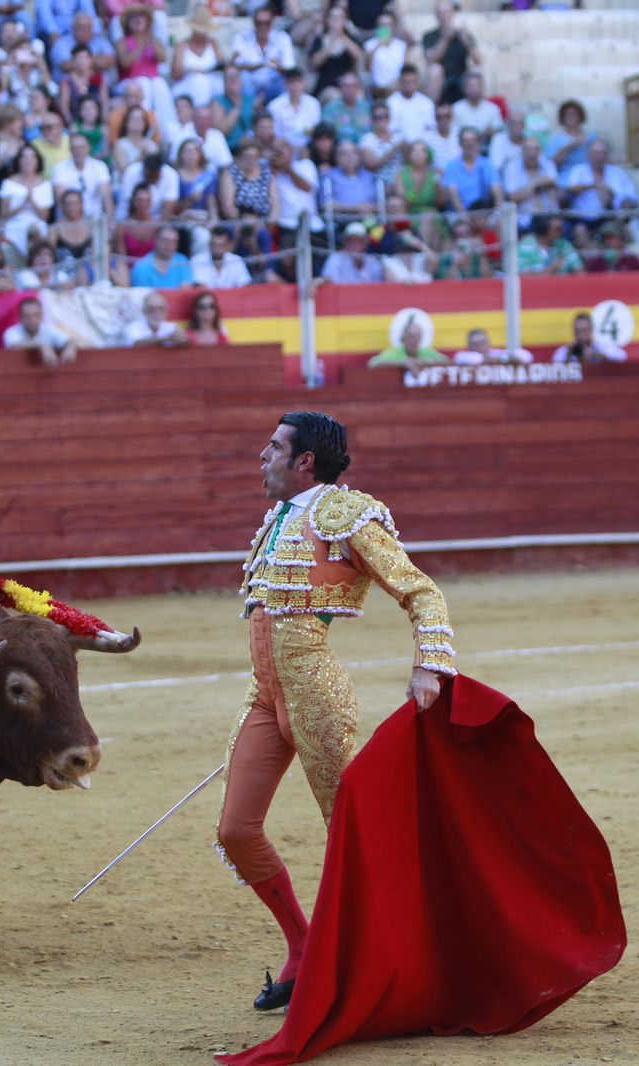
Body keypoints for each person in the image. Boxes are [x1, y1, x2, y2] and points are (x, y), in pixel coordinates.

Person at [217, 411, 455, 1009]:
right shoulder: (278, 518)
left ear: (304, 462)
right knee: (236, 831)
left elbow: (420, 589)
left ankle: (400, 958)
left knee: (352, 836)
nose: (261, 456)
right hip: (267, 697)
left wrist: (432, 661)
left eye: (274, 448)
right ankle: (305, 949)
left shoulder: (346, 515)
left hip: (317, 694)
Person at [562, 140, 638, 233]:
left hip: (611, 218)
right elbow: (570, 189)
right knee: (580, 231)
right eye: (596, 153)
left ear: (607, 155)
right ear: (588, 155)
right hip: (583, 218)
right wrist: (593, 186)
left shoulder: (618, 172)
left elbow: (631, 196)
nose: (599, 156)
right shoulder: (578, 170)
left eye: (602, 153)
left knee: (616, 232)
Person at [232, 6, 296, 104]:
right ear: (254, 23)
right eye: (259, 23)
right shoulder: (242, 37)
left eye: (267, 23)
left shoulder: (282, 38)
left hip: (273, 84)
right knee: (244, 77)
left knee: (286, 82)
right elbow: (236, 65)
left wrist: (279, 67)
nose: (263, 27)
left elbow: (289, 67)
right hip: (251, 84)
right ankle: (250, 110)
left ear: (272, 23)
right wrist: (265, 63)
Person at [50, 131, 113, 218]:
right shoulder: (59, 167)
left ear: (89, 148)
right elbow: (61, 197)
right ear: (70, 149)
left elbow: (106, 196)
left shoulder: (100, 166)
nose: (78, 150)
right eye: (75, 147)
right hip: (69, 218)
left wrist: (110, 220)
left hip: (94, 216)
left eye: (82, 147)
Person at [502, 136, 559, 231]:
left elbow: (554, 180)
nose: (531, 153)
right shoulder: (512, 166)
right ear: (522, 151)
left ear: (540, 152)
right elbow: (512, 197)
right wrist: (539, 183)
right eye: (528, 149)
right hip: (523, 221)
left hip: (549, 220)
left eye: (535, 149)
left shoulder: (547, 164)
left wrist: (534, 184)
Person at [442, 127, 502, 215]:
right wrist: (465, 217)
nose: (469, 144)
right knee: (462, 229)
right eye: (465, 141)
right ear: (460, 143)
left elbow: (496, 190)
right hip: (459, 213)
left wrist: (497, 215)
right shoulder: (451, 166)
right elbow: (452, 193)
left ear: (479, 142)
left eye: (473, 140)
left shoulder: (487, 164)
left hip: (484, 212)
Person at [2, 294, 76, 364]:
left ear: (41, 316)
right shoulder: (11, 332)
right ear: (20, 317)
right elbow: (14, 345)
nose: (32, 319)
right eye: (27, 316)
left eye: (36, 315)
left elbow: (69, 340)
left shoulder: (47, 329)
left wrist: (70, 347)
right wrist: (41, 345)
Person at [368, 316, 447, 369]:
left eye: (417, 336)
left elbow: (446, 361)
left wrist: (423, 362)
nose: (414, 340)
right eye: (410, 336)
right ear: (403, 338)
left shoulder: (426, 352)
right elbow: (373, 363)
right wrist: (402, 363)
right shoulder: (394, 353)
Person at [129, 224, 194, 288]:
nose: (170, 245)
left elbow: (186, 290)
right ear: (156, 241)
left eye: (174, 242)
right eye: (166, 241)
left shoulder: (182, 261)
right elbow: (143, 295)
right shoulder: (141, 266)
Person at [552, 311, 627, 364]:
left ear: (591, 329)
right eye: (578, 331)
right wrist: (569, 355)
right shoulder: (565, 351)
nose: (581, 334)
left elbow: (622, 357)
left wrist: (596, 354)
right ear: (574, 331)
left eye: (585, 330)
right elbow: (555, 367)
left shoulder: (602, 347)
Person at [515, 214, 580, 275]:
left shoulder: (564, 244)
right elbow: (522, 277)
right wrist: (551, 269)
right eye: (558, 229)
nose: (563, 232)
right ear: (543, 229)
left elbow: (579, 271)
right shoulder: (524, 247)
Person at [191, 223, 252, 288]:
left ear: (228, 245)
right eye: (215, 245)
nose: (218, 249)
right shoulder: (197, 260)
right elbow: (200, 288)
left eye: (222, 245)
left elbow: (244, 286)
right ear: (210, 244)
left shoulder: (237, 260)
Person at [385, 64, 434, 143]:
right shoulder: (390, 103)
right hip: (399, 148)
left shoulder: (427, 103)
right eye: (406, 82)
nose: (409, 85)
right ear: (400, 82)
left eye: (412, 81)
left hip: (422, 148)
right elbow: (391, 131)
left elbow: (430, 129)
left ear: (417, 81)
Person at [366, 12, 409, 97]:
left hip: (396, 87)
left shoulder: (402, 46)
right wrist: (377, 46)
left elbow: (405, 69)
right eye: (382, 25)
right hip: (376, 89)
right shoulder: (370, 45)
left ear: (394, 27)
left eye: (388, 25)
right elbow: (368, 69)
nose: (385, 28)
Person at [450, 72, 501, 145]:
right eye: (470, 85)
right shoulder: (456, 108)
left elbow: (498, 130)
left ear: (482, 87)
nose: (474, 88)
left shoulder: (492, 108)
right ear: (464, 88)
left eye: (477, 85)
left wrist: (491, 132)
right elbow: (453, 133)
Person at [124, 289, 188, 347]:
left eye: (161, 309)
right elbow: (136, 343)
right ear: (143, 311)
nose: (157, 312)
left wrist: (184, 340)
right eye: (151, 309)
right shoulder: (132, 328)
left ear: (166, 311)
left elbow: (184, 343)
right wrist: (166, 339)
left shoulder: (172, 327)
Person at [453, 327, 532, 366]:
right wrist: (505, 359)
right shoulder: (462, 356)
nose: (479, 346)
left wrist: (502, 358)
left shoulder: (496, 352)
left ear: (488, 343)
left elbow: (526, 356)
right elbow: (476, 359)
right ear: (469, 345)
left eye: (482, 342)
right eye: (475, 344)